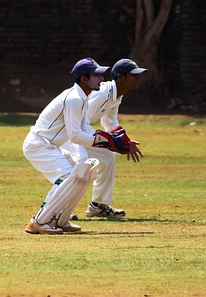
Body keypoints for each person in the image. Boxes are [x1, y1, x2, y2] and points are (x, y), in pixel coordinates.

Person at [22, 57, 131, 234]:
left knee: (82, 175)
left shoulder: (84, 98)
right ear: (83, 79)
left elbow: (83, 130)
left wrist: (107, 139)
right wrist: (106, 140)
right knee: (67, 176)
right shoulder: (73, 99)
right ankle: (39, 221)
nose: (101, 79)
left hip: (50, 145)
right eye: (96, 75)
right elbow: (75, 135)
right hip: (39, 144)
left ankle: (60, 219)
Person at [65, 58, 148, 219]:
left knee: (108, 156)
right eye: (134, 75)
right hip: (70, 133)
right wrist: (107, 140)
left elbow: (109, 121)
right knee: (76, 166)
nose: (138, 78)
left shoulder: (116, 95)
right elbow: (82, 119)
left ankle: (99, 205)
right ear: (121, 77)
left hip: (83, 132)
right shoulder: (103, 93)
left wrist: (124, 141)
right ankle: (61, 209)